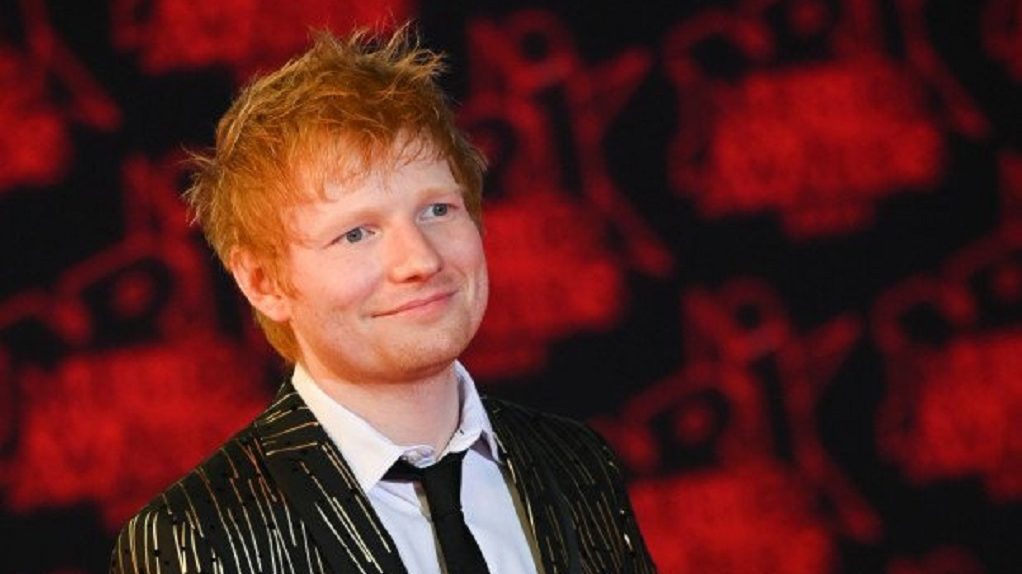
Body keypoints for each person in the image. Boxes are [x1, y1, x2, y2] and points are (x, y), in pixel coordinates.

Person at [111, 26, 655, 574]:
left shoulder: (576, 462)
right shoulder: (195, 537)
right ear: (263, 282)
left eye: (437, 210)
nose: (419, 260)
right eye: (356, 234)